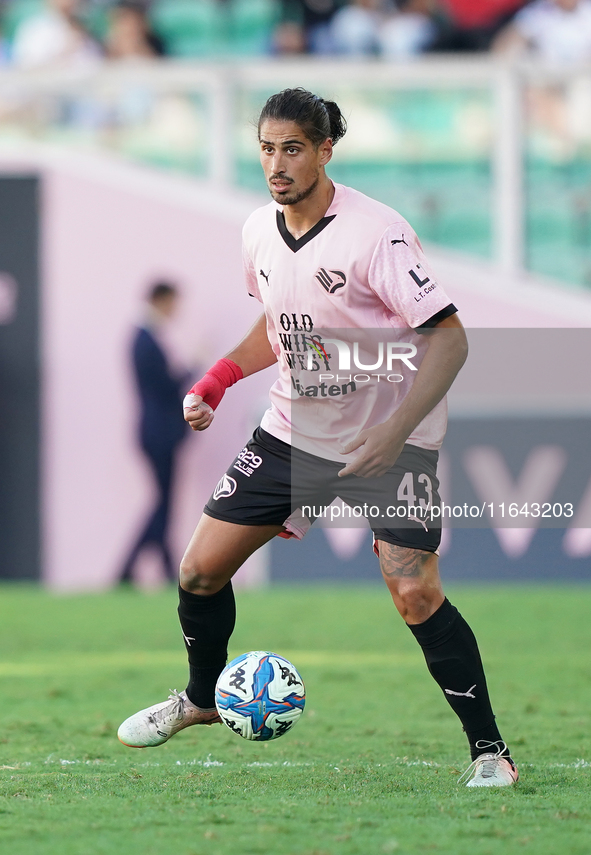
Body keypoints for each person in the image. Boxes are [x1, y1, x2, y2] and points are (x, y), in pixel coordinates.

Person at [117, 88, 519, 788]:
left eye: (292, 148)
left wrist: (393, 434)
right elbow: (276, 327)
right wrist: (217, 378)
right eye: (267, 149)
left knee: (414, 593)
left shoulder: (376, 233)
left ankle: (489, 750)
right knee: (198, 572)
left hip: (394, 441)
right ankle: (202, 697)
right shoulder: (256, 230)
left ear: (325, 149)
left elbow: (448, 341)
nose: (276, 163)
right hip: (294, 431)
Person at [118, 282, 189, 585]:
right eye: (173, 303)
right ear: (160, 300)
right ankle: (135, 570)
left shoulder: (145, 337)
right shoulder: (144, 339)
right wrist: (194, 366)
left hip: (157, 432)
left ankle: (146, 569)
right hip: (159, 433)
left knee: (163, 503)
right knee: (163, 504)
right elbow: (165, 387)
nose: (176, 311)